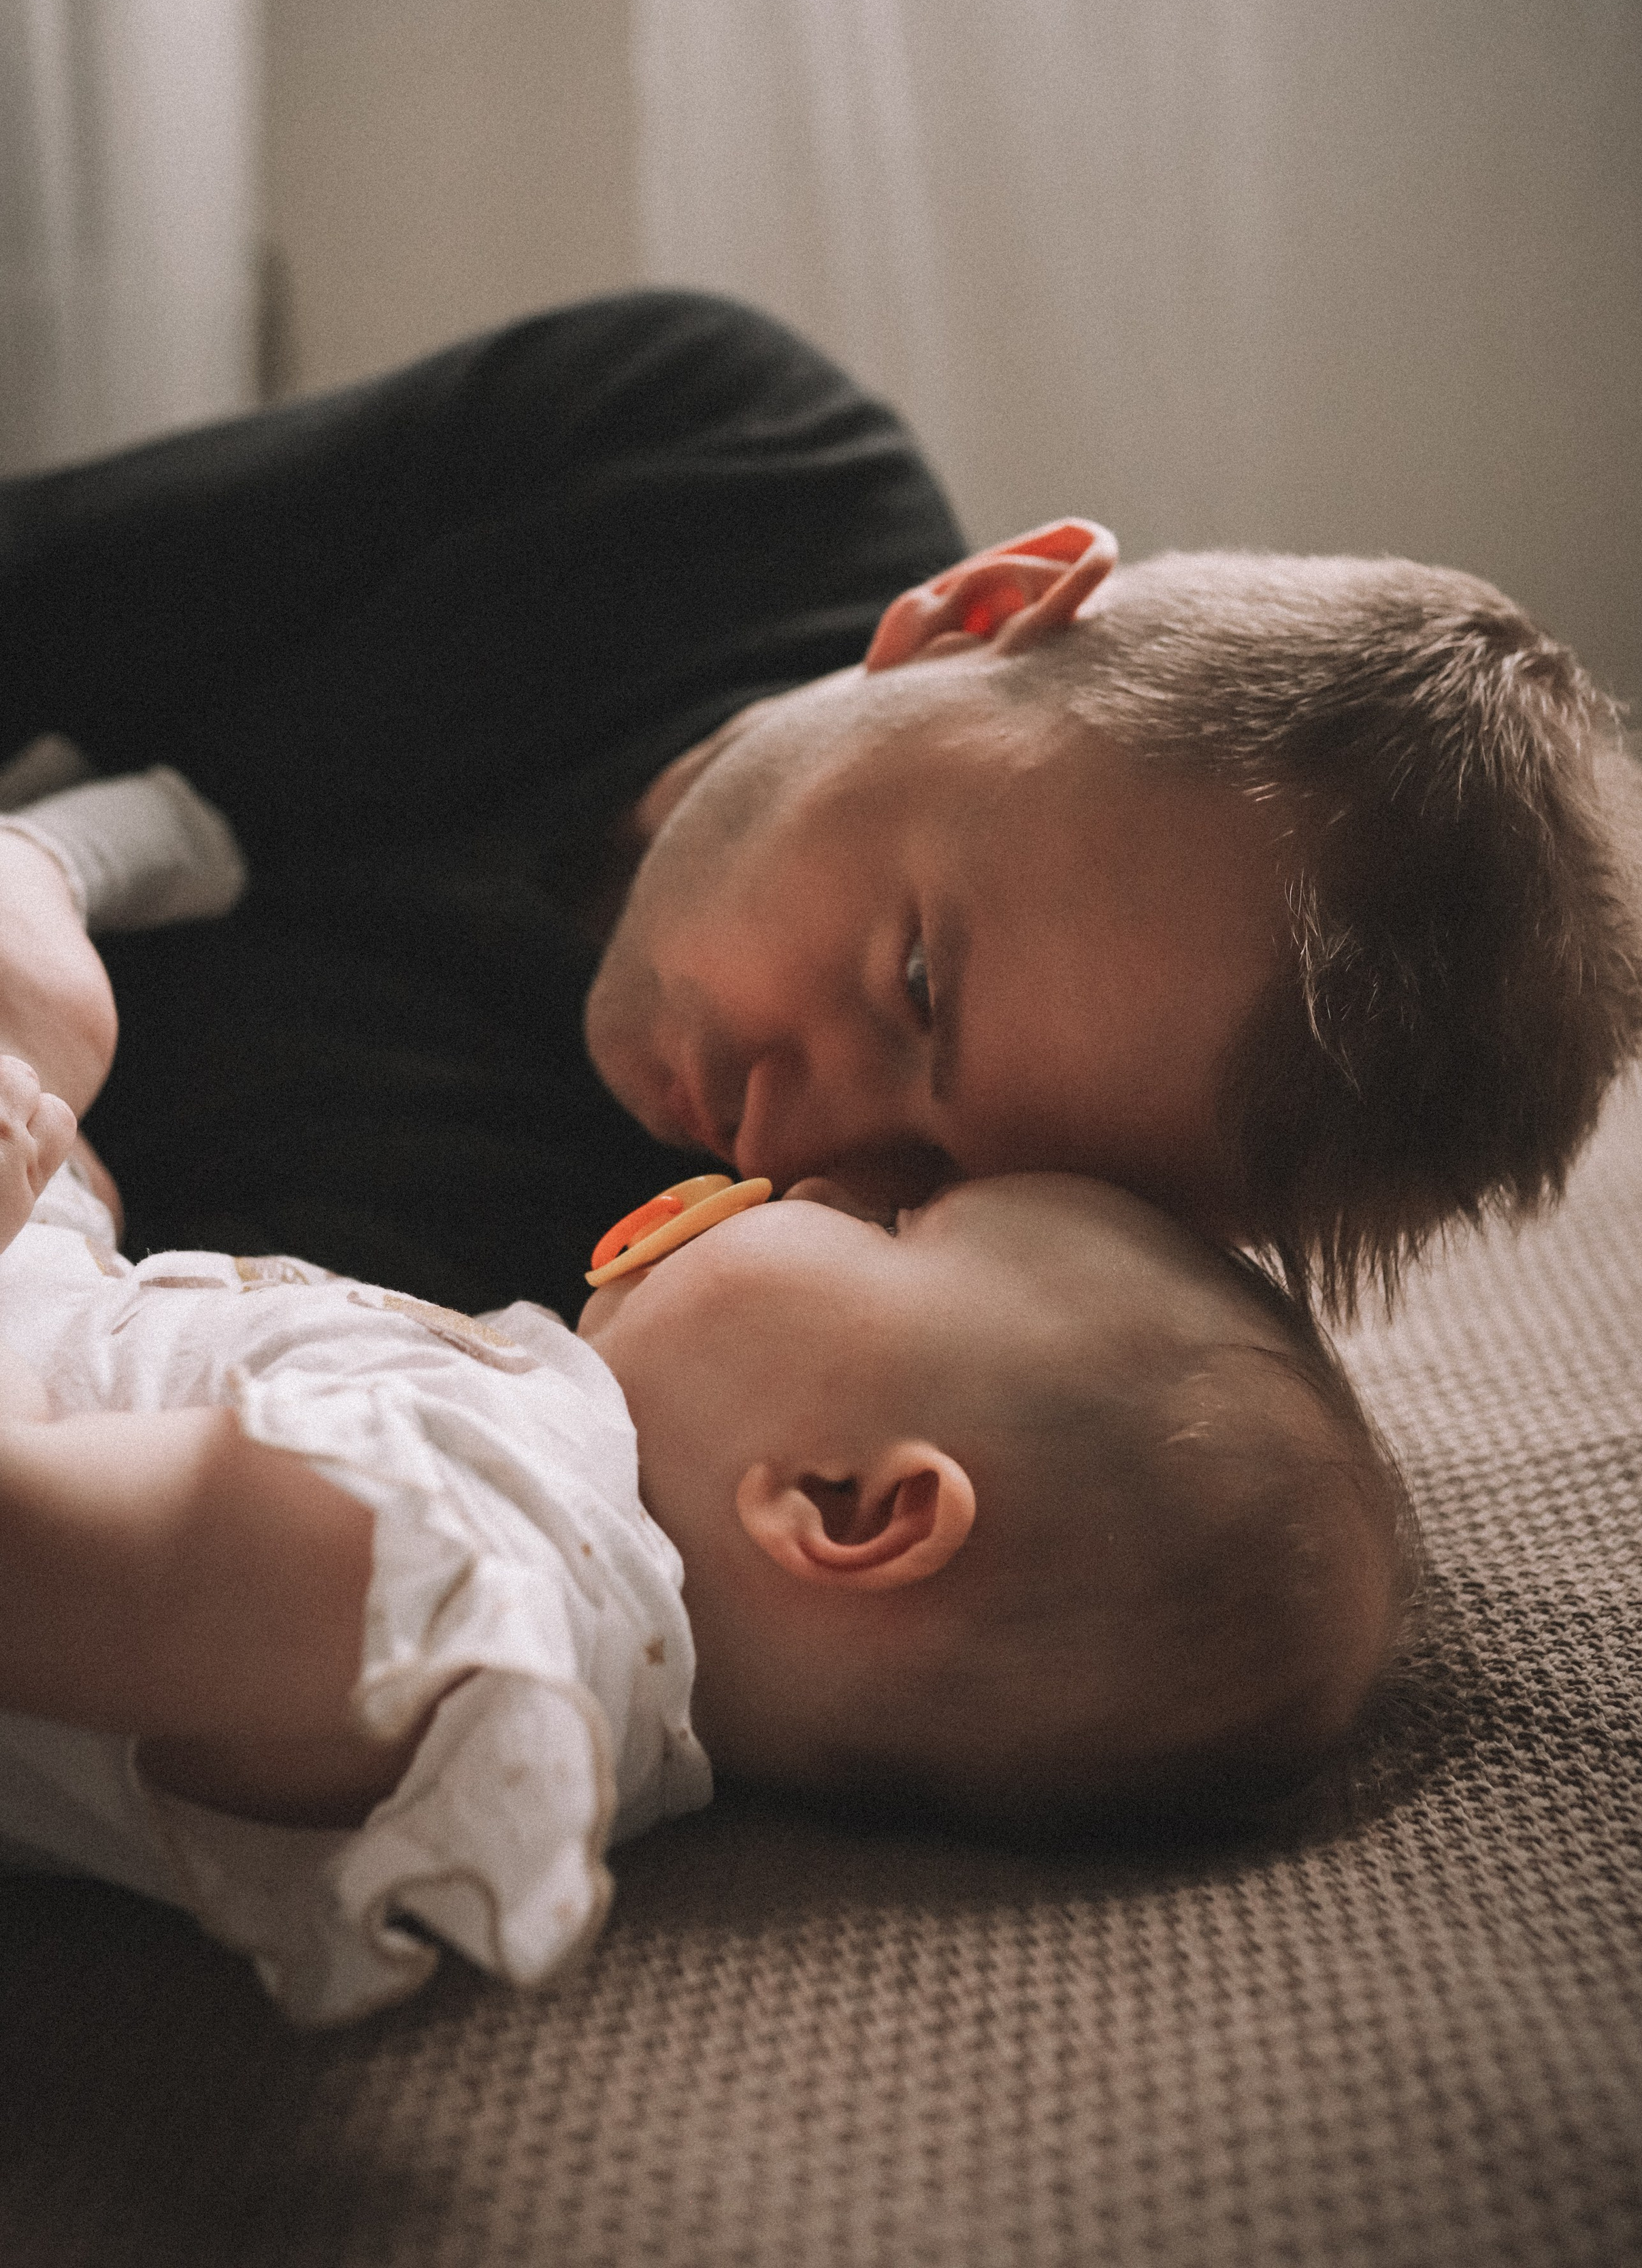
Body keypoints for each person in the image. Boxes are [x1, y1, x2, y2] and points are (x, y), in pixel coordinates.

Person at [0, 291, 1642, 1319]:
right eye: (917, 988)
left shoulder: (651, 1283)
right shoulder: (719, 461)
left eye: (942, 1183)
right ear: (968, 618)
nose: (793, 1145)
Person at [0, 859, 1411, 2026]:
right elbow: (111, 1347)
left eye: (889, 1225)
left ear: (843, 1506)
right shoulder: (537, 1456)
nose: (818, 1175)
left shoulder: (467, 1574)